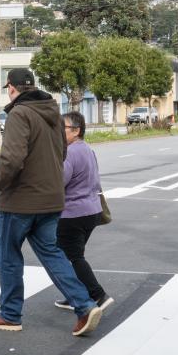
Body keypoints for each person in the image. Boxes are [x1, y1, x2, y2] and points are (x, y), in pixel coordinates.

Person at [0, 68, 102, 337]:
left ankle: (11, 314)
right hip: (51, 199)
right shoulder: (52, 113)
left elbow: (11, 160)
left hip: (21, 201)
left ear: (11, 88)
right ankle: (84, 305)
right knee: (53, 254)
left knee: (9, 257)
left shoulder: (19, 113)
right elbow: (62, 152)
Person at [54, 111, 113, 312]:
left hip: (72, 213)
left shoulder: (70, 153)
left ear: (76, 131)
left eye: (63, 128)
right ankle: (75, 296)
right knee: (74, 255)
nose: (58, 132)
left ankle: (98, 295)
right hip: (91, 211)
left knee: (72, 257)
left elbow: (59, 182)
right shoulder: (87, 149)